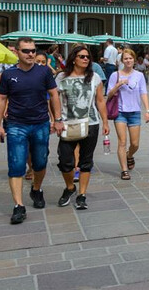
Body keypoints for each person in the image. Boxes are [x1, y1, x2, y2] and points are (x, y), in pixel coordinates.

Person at [0, 38, 63, 225]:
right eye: (26, 51)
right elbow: (1, 99)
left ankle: (36, 188)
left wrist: (57, 119)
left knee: (40, 162)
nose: (31, 54)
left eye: (33, 50)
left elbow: (54, 94)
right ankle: (18, 206)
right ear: (17, 52)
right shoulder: (9, 75)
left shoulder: (44, 72)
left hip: (40, 123)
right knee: (16, 164)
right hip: (16, 125)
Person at [54, 45, 106, 210]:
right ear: (74, 58)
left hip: (91, 124)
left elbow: (100, 101)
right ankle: (70, 188)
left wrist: (105, 122)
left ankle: (82, 194)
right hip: (67, 124)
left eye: (87, 57)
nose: (85, 59)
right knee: (65, 161)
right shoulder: (61, 77)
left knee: (86, 161)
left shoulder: (94, 77)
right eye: (82, 56)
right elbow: (53, 100)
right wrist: (55, 120)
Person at [105, 49, 149, 180]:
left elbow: (143, 92)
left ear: (134, 60)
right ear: (122, 60)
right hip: (120, 112)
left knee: (135, 144)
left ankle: (129, 155)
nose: (128, 60)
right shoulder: (115, 75)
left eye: (130, 58)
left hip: (135, 112)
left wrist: (147, 110)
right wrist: (119, 84)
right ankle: (124, 170)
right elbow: (108, 95)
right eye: (125, 58)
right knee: (122, 141)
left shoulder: (139, 75)